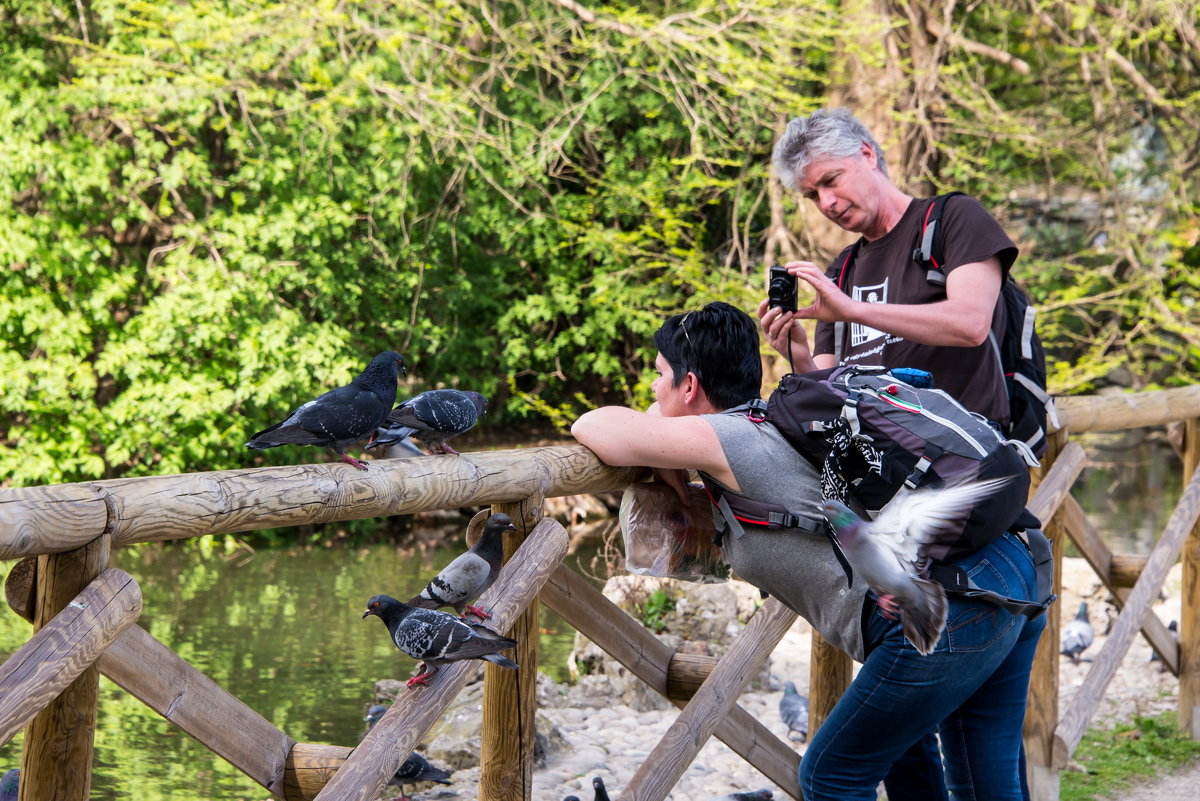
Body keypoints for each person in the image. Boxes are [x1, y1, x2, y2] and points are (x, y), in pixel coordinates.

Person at [572, 301, 1044, 801]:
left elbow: (592, 425)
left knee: (830, 776)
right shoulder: (774, 422)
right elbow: (651, 419)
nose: (651, 387)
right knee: (958, 776)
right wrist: (661, 435)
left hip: (947, 611)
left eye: (659, 374)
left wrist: (656, 438)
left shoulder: (724, 437)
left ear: (689, 387)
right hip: (1005, 569)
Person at [759, 107, 1017, 425]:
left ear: (867, 154)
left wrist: (854, 310)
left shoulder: (953, 218)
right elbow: (828, 397)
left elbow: (971, 323)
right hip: (882, 461)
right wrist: (798, 353)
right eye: (813, 195)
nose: (826, 203)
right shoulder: (842, 270)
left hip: (965, 456)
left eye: (831, 180)